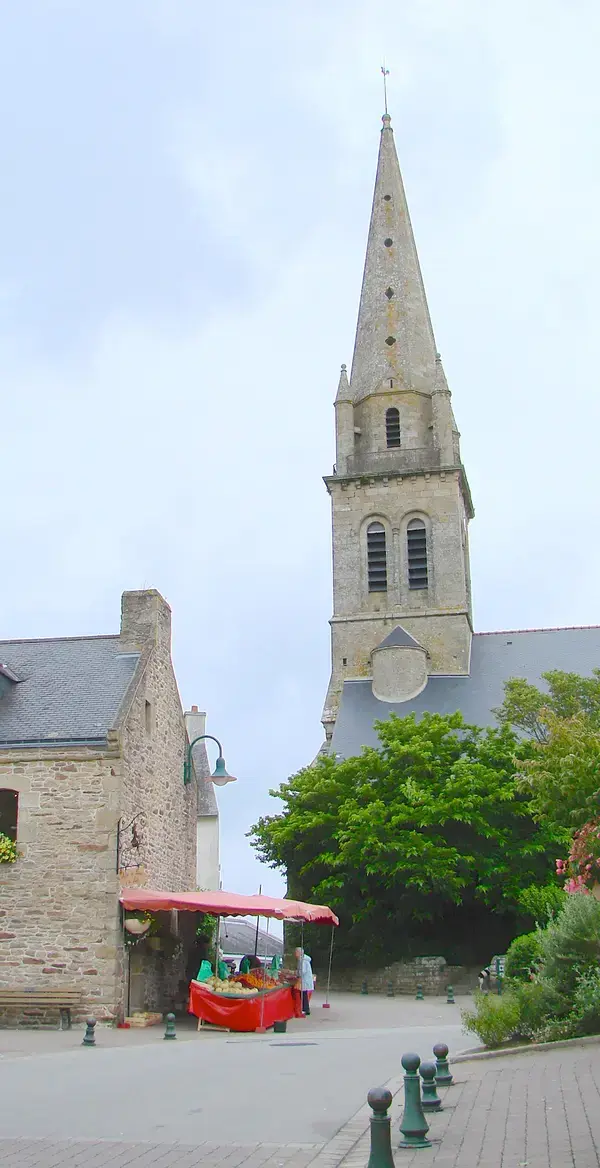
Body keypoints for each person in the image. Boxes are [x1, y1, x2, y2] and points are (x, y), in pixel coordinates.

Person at [295, 946, 315, 1016]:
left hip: (304, 979)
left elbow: (302, 971)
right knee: (303, 994)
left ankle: (305, 1009)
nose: (295, 954)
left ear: (299, 953)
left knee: (303, 995)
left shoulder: (302, 960)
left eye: (296, 952)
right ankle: (305, 1009)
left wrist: (296, 973)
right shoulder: (303, 959)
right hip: (305, 979)